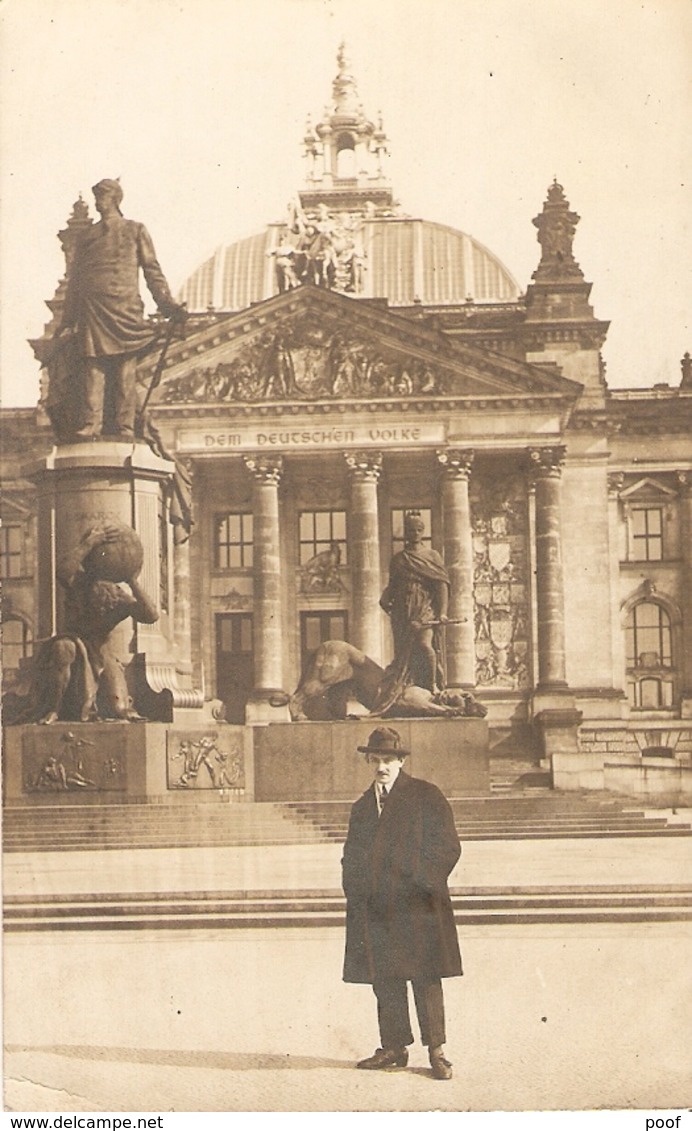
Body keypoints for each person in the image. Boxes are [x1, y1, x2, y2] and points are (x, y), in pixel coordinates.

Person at [341, 726, 462, 1080]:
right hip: (377, 908)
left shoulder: (426, 796)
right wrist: (356, 891)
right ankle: (394, 1047)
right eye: (375, 759)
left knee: (425, 978)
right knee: (386, 978)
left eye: (388, 760)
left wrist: (421, 884)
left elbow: (447, 847)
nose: (382, 766)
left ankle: (437, 1051)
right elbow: (351, 856)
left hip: (417, 905)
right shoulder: (362, 807)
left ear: (401, 761)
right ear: (368, 761)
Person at [58, 178, 184, 438]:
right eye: (96, 197)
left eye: (102, 196)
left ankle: (125, 426)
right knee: (93, 365)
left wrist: (167, 305)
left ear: (115, 198)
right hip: (94, 307)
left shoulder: (135, 229)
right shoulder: (87, 236)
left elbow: (152, 270)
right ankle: (91, 423)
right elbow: (76, 280)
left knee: (125, 365)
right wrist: (67, 319)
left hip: (124, 305)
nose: (98, 202)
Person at [375, 511, 450, 712]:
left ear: (423, 532)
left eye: (418, 530)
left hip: (425, 609)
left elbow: (441, 586)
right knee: (403, 652)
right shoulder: (399, 559)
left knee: (425, 645)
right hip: (402, 611)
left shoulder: (432, 556)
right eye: (410, 530)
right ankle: (407, 685)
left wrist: (442, 612)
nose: (414, 533)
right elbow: (393, 585)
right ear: (405, 533)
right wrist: (385, 598)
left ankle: (433, 684)